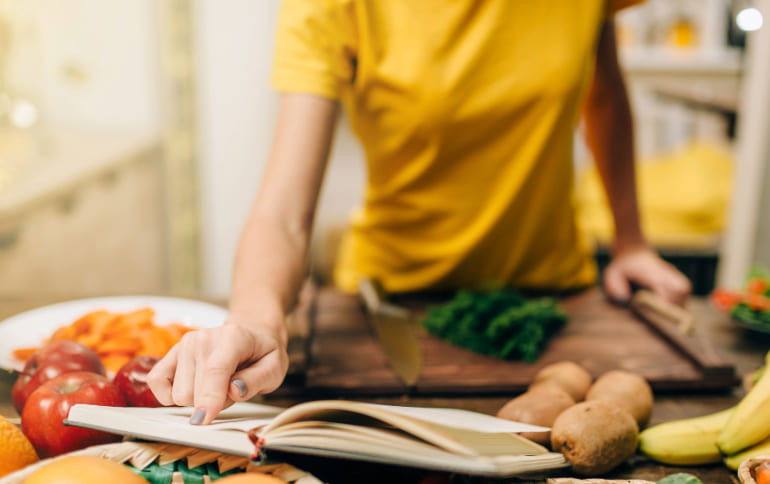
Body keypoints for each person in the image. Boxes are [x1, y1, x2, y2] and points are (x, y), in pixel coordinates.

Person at [148, 0, 692, 425]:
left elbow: (604, 88)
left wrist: (632, 241)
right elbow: (284, 212)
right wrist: (255, 318)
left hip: (553, 295)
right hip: (390, 302)